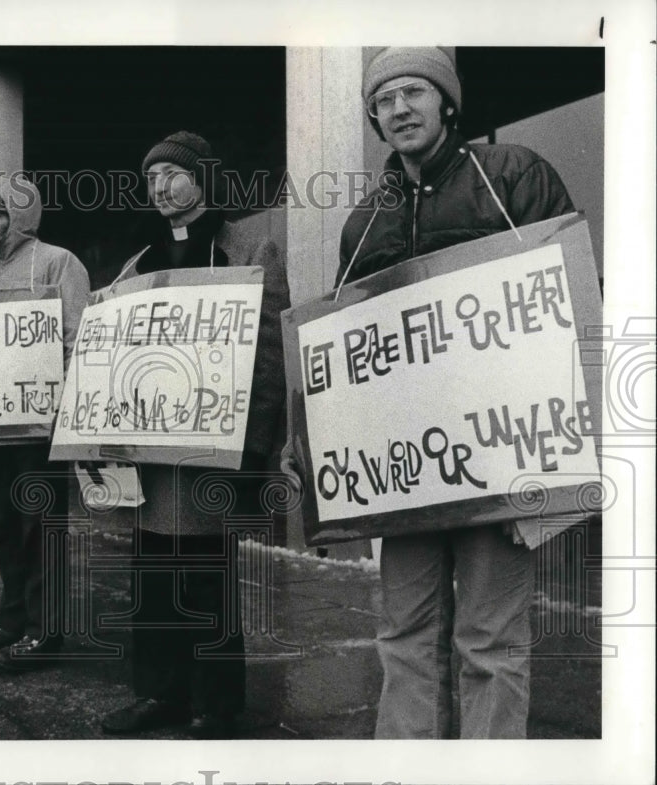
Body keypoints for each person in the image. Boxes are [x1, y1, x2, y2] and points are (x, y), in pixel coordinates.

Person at [330, 47, 574, 739]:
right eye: (385, 99)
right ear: (374, 117)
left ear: (446, 101)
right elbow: (344, 353)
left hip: (500, 455)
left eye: (414, 91)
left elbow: (559, 303)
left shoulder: (514, 175)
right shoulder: (363, 223)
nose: (400, 108)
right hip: (407, 471)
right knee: (403, 633)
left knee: (491, 639)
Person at [99, 131, 290, 739]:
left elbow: (268, 352)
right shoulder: (137, 266)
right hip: (151, 456)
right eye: (151, 178)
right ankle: (160, 694)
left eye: (171, 176)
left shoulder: (247, 249)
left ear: (203, 177)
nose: (159, 188)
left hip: (212, 447)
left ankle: (216, 704)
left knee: (206, 573)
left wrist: (255, 443)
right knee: (151, 572)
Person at [0, 173, 90, 670]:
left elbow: (78, 340)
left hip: (41, 428)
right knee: (6, 528)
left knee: (40, 528)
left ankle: (43, 632)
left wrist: (69, 415)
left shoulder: (57, 262)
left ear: (18, 215)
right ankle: (11, 622)